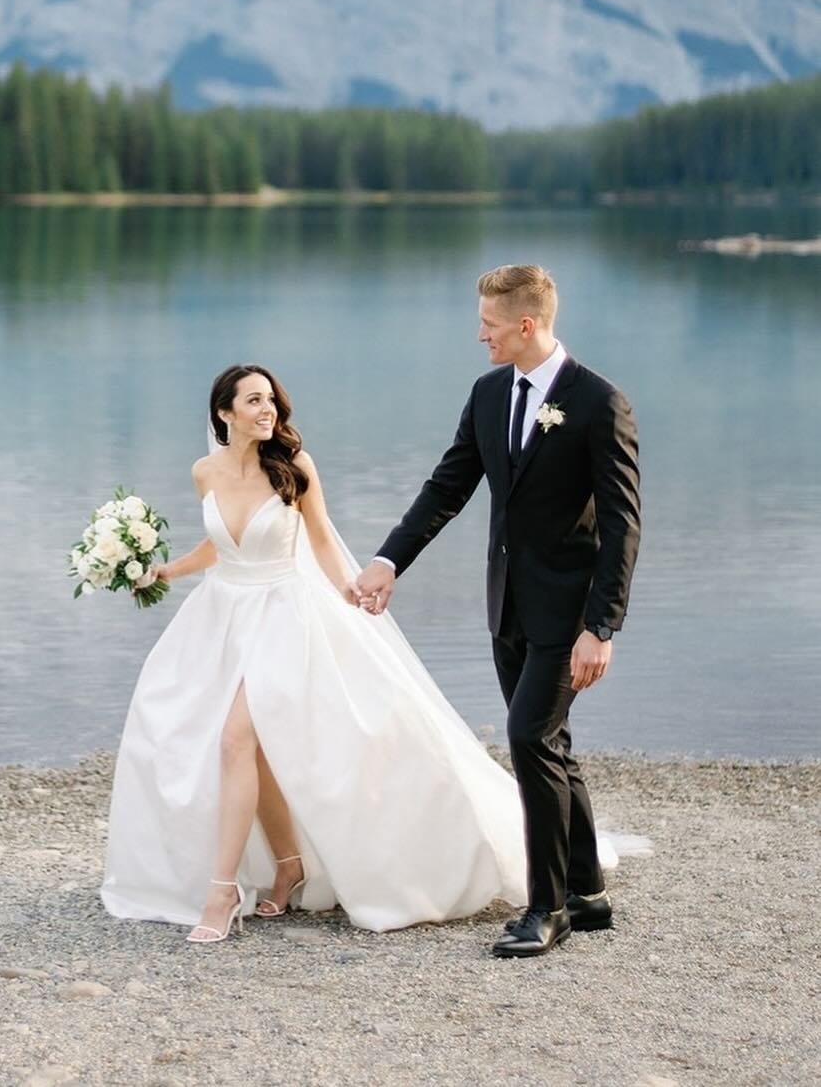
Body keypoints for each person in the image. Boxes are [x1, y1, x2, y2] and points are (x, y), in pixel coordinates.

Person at [100, 362, 528, 943]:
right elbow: (222, 541)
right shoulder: (205, 471)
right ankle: (287, 863)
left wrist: (352, 591)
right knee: (247, 750)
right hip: (223, 616)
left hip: (282, 616)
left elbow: (321, 537)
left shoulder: (294, 467)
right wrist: (168, 570)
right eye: (252, 401)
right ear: (224, 413)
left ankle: (221, 890)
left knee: (234, 739)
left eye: (270, 399)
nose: (267, 409)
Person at [356, 264, 640, 958]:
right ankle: (588, 890)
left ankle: (547, 909)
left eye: (487, 322)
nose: (477, 332)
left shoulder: (598, 402)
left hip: (568, 616)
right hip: (506, 604)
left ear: (526, 324)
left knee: (529, 738)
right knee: (551, 743)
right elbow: (448, 484)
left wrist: (601, 627)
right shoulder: (489, 393)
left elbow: (625, 525)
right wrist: (389, 559)